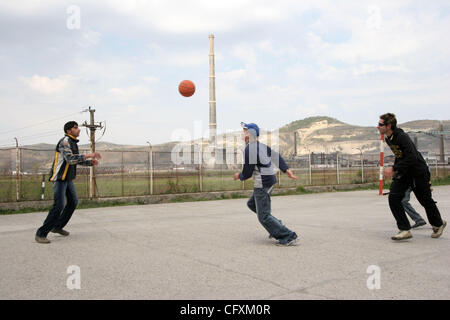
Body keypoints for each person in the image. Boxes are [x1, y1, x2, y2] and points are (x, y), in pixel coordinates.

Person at [378, 113, 446, 240]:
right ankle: (404, 229)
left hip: (418, 172)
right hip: (405, 173)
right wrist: (395, 171)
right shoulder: (389, 138)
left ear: (389, 126)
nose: (378, 127)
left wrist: (394, 168)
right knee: (393, 197)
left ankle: (438, 223)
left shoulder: (402, 137)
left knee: (425, 200)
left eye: (380, 124)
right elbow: (400, 156)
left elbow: (412, 157)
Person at [233, 122, 299, 246]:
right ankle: (276, 225)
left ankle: (288, 236)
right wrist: (287, 170)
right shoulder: (259, 146)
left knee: (263, 216)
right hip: (268, 181)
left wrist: (238, 176)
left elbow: (247, 173)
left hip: (263, 184)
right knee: (251, 204)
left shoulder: (250, 149)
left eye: (245, 131)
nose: (243, 133)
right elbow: (276, 157)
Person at [35, 121, 101, 244]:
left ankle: (57, 226)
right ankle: (41, 233)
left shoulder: (73, 143)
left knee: (73, 202)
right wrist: (88, 155)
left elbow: (75, 160)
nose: (79, 130)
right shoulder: (65, 141)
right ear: (68, 131)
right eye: (75, 128)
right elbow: (70, 160)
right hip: (59, 178)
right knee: (59, 206)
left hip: (67, 178)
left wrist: (89, 163)